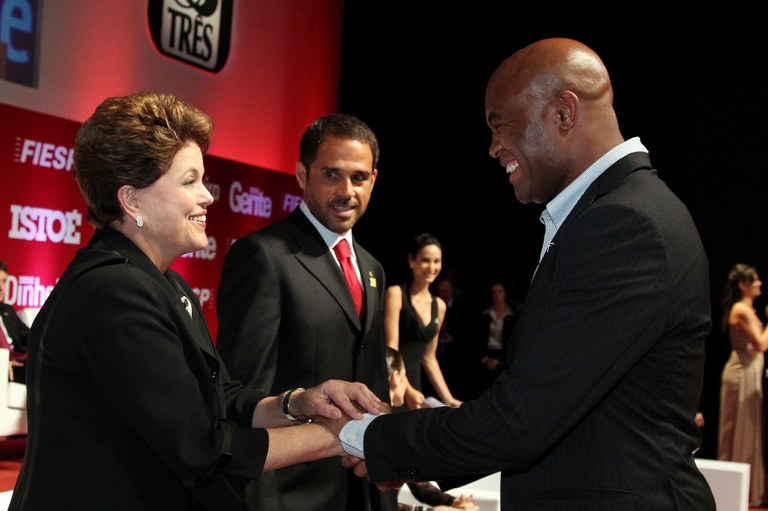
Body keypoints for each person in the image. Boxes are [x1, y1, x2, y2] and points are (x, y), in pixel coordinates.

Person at [335, 37, 716, 509]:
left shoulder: (625, 223)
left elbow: (520, 422)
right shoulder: (617, 213)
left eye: (502, 125)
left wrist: (364, 438)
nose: (493, 147)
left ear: (564, 112)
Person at [8, 92, 384, 511]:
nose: (207, 196)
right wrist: (342, 434)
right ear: (132, 200)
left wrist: (298, 403)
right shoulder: (112, 293)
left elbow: (222, 398)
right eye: (190, 181)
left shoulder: (166, 286)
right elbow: (202, 447)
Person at [216, 113, 397, 510]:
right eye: (331, 174)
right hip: (290, 494)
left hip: (359, 490)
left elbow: (374, 383)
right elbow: (241, 397)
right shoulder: (263, 256)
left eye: (359, 177)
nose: (347, 190)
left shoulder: (372, 268)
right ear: (302, 174)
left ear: (374, 180)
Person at [383, 347, 477, 511]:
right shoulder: (384, 427)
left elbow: (418, 483)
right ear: (396, 378)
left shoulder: (394, 423)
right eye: (406, 376)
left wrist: (452, 503)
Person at [384, 233, 461, 410]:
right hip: (392, 384)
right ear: (412, 261)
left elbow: (429, 358)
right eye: (426, 260)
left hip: (415, 388)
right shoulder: (396, 294)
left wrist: (449, 399)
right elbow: (391, 349)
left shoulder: (439, 305)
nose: (432, 267)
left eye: (437, 261)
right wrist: (407, 390)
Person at [718, 263, 768, 507]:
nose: (759, 283)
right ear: (743, 285)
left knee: (748, 431)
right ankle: (733, 492)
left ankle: (745, 491)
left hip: (750, 373)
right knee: (738, 431)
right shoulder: (741, 309)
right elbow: (760, 344)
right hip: (741, 374)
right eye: (755, 280)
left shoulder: (747, 309)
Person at [470, 281, 516, 399]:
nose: (497, 295)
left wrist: (500, 361)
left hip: (504, 359)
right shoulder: (485, 315)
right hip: (486, 356)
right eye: (494, 292)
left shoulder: (513, 316)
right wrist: (485, 359)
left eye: (500, 291)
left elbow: (513, 343)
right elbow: (477, 340)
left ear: (505, 293)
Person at [0, 260, 30, 383]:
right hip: (5, 365)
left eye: (4, 281)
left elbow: (29, 335)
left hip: (22, 361)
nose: (1, 287)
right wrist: (3, 362)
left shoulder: (7, 310)